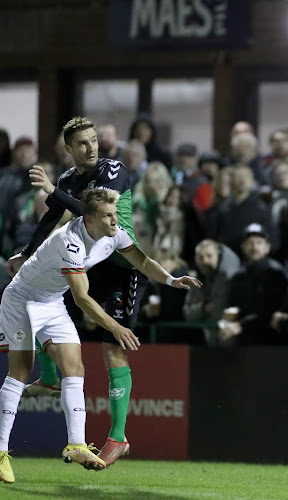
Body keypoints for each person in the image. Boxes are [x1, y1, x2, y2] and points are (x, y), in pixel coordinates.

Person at [0, 188, 201, 483]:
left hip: (52, 301)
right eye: (108, 215)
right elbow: (82, 299)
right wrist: (116, 327)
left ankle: (77, 444)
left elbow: (142, 262)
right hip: (22, 299)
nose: (115, 220)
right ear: (90, 218)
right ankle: (1, 452)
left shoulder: (114, 232)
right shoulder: (69, 241)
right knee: (19, 370)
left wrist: (172, 280)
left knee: (75, 368)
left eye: (115, 213)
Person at [4, 117, 145, 467]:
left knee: (112, 352)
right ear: (68, 149)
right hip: (85, 261)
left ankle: (118, 436)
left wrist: (52, 190)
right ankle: (51, 379)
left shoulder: (113, 170)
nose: (92, 147)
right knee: (39, 296)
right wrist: (26, 254)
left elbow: (94, 213)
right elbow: (51, 220)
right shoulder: (68, 180)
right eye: (83, 143)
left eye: (95, 140)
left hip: (117, 267)